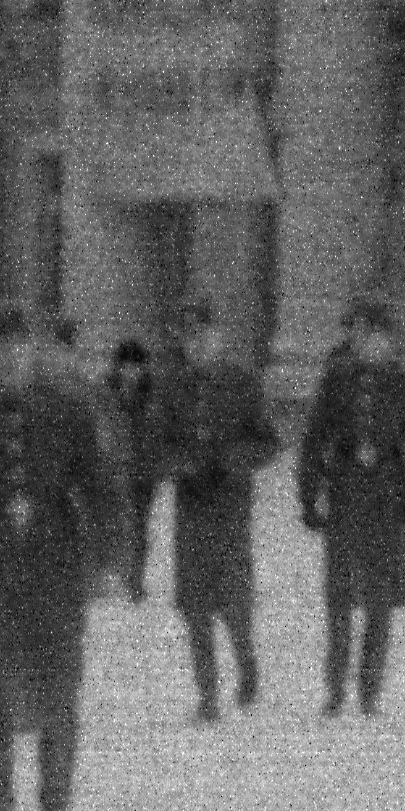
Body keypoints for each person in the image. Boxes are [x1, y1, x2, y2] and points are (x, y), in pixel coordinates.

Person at [0, 307, 120, 811]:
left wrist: (104, 560)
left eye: (18, 349)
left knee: (57, 691)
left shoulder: (69, 413)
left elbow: (103, 490)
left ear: (33, 353)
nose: (8, 361)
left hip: (54, 574)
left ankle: (53, 809)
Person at [295, 296, 405, 719]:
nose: (361, 342)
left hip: (386, 499)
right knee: (338, 598)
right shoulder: (337, 380)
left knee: (379, 601)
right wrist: (309, 495)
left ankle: (370, 689)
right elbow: (314, 440)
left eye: (368, 333)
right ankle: (335, 688)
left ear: (385, 337)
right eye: (355, 334)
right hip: (344, 497)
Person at [154, 298, 278, 723]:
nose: (199, 344)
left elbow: (267, 441)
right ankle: (207, 693)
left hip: (230, 507)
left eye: (205, 334)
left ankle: (246, 663)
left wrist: (234, 459)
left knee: (233, 602)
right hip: (192, 507)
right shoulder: (171, 386)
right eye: (191, 337)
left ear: (220, 336)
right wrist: (180, 464)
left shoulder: (242, 382)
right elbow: (155, 446)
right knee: (194, 606)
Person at [102, 336, 159, 602]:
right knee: (116, 522)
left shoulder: (151, 396)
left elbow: (156, 433)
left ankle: (135, 577)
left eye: (136, 367)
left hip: (143, 472)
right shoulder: (107, 394)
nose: (131, 372)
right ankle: (115, 573)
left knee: (139, 526)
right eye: (126, 366)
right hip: (115, 468)